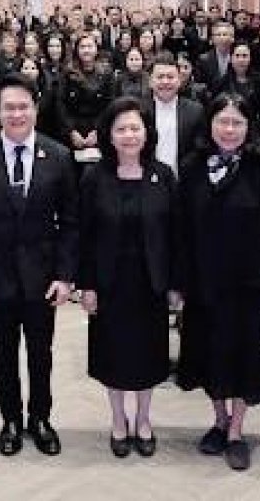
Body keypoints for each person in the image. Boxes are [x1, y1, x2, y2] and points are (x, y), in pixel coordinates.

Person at [0, 73, 78, 457]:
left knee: (41, 355)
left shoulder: (58, 156)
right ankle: (10, 420)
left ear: (35, 110)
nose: (16, 114)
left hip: (43, 278)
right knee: (4, 355)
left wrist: (65, 276)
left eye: (23, 107)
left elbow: (70, 223)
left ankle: (40, 419)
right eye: (8, 108)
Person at [176, 93, 260, 471]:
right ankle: (218, 420)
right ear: (210, 124)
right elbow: (181, 227)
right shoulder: (191, 166)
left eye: (237, 122)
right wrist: (180, 282)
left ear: (249, 127)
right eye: (223, 121)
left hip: (249, 281)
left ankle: (236, 430)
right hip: (204, 280)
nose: (229, 129)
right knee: (209, 352)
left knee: (244, 354)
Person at [77, 96, 178, 459]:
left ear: (147, 133)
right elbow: (84, 236)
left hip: (151, 282)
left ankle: (144, 419)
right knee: (113, 354)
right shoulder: (94, 177)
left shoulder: (163, 175)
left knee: (149, 354)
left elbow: (175, 235)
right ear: (109, 134)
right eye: (121, 129)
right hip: (110, 283)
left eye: (136, 128)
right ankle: (119, 419)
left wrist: (175, 284)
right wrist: (86, 285)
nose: (129, 135)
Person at [147, 52, 206, 174]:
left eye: (170, 77)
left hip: (183, 179)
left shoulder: (195, 111)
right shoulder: (139, 110)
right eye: (160, 77)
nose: (165, 82)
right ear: (151, 81)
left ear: (179, 81)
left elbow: (200, 148)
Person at [60, 33, 116, 154]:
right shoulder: (67, 72)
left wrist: (97, 131)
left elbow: (110, 104)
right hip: (73, 130)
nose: (86, 50)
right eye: (82, 47)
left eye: (90, 46)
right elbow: (61, 104)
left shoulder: (106, 73)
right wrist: (71, 131)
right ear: (77, 50)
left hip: (98, 128)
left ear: (96, 49)